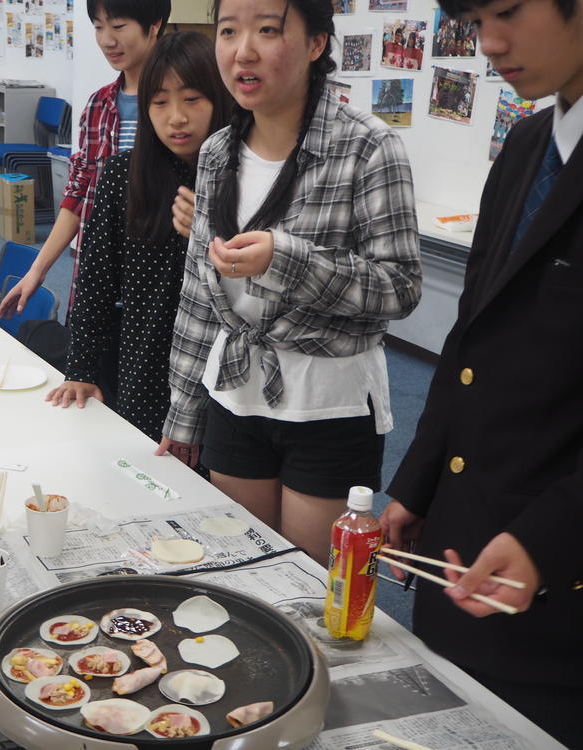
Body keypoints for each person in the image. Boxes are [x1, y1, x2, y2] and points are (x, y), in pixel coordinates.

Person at [380, 0, 583, 741]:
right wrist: (417, 480)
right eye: (472, 18)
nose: (488, 43)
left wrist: (550, 538)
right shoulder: (529, 142)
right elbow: (472, 337)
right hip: (465, 546)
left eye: (507, 11)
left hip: (555, 590)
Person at [157, 0, 421, 563]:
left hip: (327, 402)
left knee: (308, 584)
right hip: (235, 392)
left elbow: (399, 286)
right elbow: (199, 296)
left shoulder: (367, 146)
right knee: (239, 567)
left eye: (268, 30)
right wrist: (183, 412)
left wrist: (288, 260)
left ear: (316, 43)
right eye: (228, 31)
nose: (242, 50)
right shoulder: (216, 154)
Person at [46, 32, 230, 441]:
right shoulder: (122, 174)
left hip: (219, 374)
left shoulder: (241, 176)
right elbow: (95, 277)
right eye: (160, 102)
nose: (176, 117)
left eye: (192, 99)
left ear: (220, 99)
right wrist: (80, 368)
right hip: (142, 360)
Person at [0, 0, 172, 326]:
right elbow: (77, 195)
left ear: (154, 25)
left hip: (160, 287)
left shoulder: (181, 109)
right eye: (99, 27)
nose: (107, 40)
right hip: (101, 278)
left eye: (118, 27)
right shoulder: (99, 105)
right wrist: (38, 270)